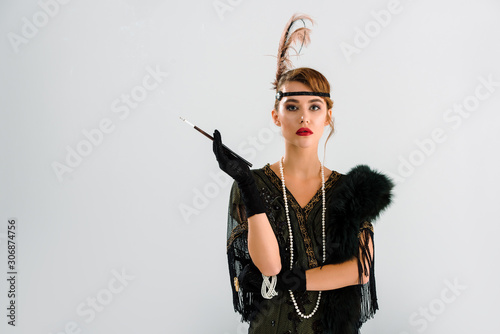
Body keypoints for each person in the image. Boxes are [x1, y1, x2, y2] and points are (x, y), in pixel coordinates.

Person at [212, 14, 394, 334]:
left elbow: (361, 269)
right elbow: (269, 267)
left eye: (314, 106)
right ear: (276, 116)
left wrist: (295, 281)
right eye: (292, 106)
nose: (304, 117)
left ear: (328, 116)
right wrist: (247, 184)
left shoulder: (351, 189)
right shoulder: (253, 185)